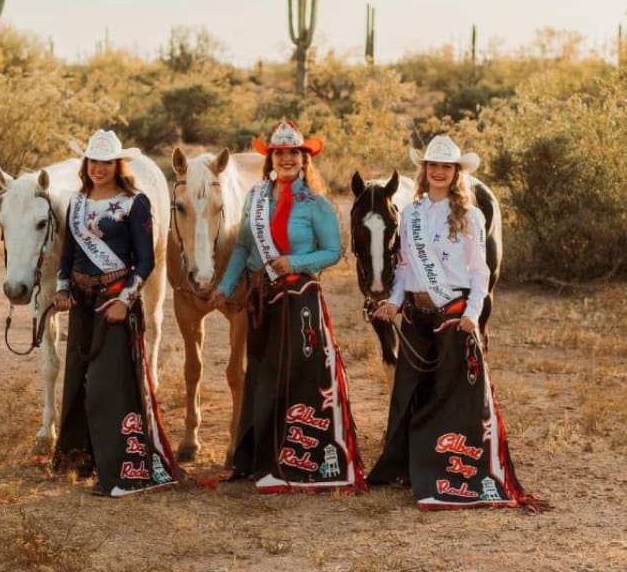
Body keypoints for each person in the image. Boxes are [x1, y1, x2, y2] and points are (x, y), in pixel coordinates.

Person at [369, 135, 547, 511]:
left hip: (453, 315)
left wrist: (471, 315)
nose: (437, 171)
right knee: (410, 393)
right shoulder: (412, 214)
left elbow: (480, 273)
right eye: (432, 165)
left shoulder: (470, 215)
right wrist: (394, 303)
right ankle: (406, 468)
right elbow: (403, 269)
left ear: (455, 172)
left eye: (445, 166)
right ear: (425, 170)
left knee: (448, 397)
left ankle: (446, 470)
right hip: (417, 317)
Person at [209, 120, 365, 493]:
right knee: (263, 377)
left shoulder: (316, 204)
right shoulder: (256, 198)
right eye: (280, 153)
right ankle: (262, 458)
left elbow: (333, 252)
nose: (287, 159)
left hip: (300, 302)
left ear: (304, 159)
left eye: (294, 152)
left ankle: (301, 458)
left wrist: (294, 262)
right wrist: (226, 287)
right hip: (262, 300)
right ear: (271, 159)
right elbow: (246, 248)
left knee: (300, 378)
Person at [51, 129, 181, 497]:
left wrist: (125, 300)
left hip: (115, 302)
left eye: (106, 162)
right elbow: (67, 255)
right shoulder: (77, 203)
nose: (99, 168)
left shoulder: (135, 202)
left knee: (109, 386)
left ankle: (122, 470)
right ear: (86, 164)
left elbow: (146, 260)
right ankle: (79, 459)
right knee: (77, 381)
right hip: (80, 301)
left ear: (117, 164)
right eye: (93, 161)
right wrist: (62, 289)